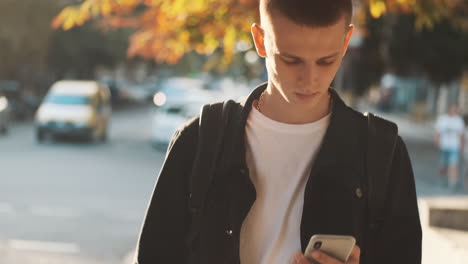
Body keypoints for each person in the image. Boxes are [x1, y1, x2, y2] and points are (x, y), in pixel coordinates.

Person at [134, 0, 422, 263]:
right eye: (291, 60)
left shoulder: (382, 152)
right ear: (260, 40)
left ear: (346, 41)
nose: (310, 79)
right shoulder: (200, 139)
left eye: (326, 60)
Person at [435, 104, 465, 189]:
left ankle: (453, 183)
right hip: (444, 146)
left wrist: (462, 148)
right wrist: (437, 143)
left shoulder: (459, 121)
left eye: (456, 110)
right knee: (443, 165)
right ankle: (441, 178)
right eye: (453, 110)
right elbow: (438, 133)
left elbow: (462, 136)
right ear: (449, 110)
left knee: (453, 165)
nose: (455, 111)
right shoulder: (443, 119)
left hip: (454, 147)